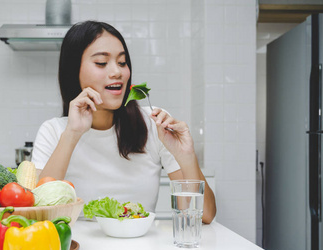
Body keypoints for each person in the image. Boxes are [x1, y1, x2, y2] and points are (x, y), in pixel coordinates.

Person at [31, 21, 216, 223]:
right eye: (101, 63)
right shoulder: (53, 131)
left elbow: (204, 216)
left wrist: (187, 156)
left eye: (122, 62)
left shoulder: (154, 123)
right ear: (73, 71)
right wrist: (72, 134)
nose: (117, 72)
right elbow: (39, 215)